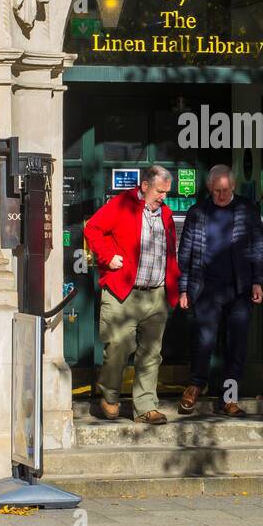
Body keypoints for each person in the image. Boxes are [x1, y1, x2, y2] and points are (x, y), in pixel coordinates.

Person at [84, 165, 180, 425]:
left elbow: (170, 254)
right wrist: (107, 257)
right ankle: (110, 395)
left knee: (151, 353)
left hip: (156, 294)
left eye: (166, 192)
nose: (163, 196)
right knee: (118, 346)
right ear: (146, 186)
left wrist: (175, 287)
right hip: (122, 293)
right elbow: (92, 229)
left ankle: (146, 406)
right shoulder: (122, 204)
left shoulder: (166, 215)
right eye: (160, 191)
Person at [177, 164, 263, 417]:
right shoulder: (197, 213)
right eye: (217, 191)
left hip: (240, 289)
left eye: (226, 190)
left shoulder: (247, 209)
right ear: (209, 189)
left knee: (236, 344)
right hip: (205, 288)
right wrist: (183, 289)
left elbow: (258, 246)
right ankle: (196, 386)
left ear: (234, 187)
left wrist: (258, 280)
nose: (222, 195)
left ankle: (229, 399)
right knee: (203, 341)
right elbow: (185, 254)